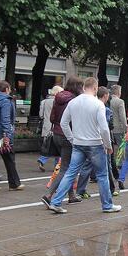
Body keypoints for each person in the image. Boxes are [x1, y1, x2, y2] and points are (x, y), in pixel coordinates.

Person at [44, 77, 121, 214]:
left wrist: (72, 139)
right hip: (95, 144)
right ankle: (107, 205)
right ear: (96, 88)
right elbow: (104, 128)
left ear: (84, 87)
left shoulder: (73, 102)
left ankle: (56, 202)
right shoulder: (98, 104)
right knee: (102, 175)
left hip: (78, 143)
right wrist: (108, 145)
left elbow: (63, 123)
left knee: (70, 172)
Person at [43, 76, 83, 204]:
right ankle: (48, 195)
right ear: (77, 87)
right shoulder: (75, 100)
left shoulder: (58, 98)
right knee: (66, 168)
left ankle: (71, 196)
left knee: (68, 166)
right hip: (68, 135)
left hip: (57, 135)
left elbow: (52, 118)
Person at [36, 85, 62, 171]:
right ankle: (57, 166)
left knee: (48, 145)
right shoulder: (58, 101)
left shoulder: (44, 102)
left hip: (46, 127)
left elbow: (41, 115)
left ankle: (42, 160)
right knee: (58, 148)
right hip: (57, 127)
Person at [108, 85, 127, 180]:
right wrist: (126, 127)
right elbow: (122, 116)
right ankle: (120, 163)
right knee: (121, 146)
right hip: (119, 127)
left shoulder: (108, 101)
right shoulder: (120, 101)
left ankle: (110, 164)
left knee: (110, 147)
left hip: (109, 128)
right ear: (118, 92)